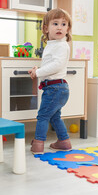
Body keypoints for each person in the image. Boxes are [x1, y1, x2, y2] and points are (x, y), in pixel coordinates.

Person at [28, 8, 72, 155]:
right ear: (46, 28)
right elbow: (50, 65)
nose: (60, 27)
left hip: (55, 88)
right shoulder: (53, 45)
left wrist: (38, 72)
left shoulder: (61, 45)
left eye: (63, 24)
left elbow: (57, 65)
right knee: (54, 116)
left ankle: (38, 144)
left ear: (68, 29)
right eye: (55, 23)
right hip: (57, 88)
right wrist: (37, 69)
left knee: (43, 116)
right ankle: (64, 142)